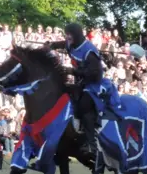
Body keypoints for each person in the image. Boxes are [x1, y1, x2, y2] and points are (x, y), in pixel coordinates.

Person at [46, 23, 115, 155]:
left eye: (69, 34)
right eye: (66, 34)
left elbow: (96, 73)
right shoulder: (70, 43)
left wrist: (72, 71)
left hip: (94, 84)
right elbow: (62, 44)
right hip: (80, 83)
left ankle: (91, 143)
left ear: (76, 35)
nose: (67, 37)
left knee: (84, 106)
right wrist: (51, 45)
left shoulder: (89, 50)